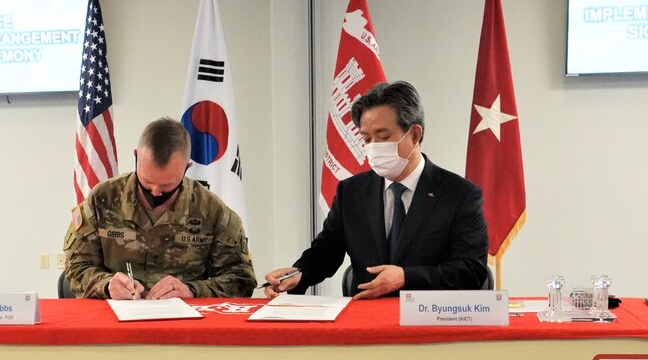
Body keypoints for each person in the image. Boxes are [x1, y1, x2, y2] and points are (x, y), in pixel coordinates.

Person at [264, 81, 488, 299]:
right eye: (367, 138)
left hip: (430, 321)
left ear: (414, 134)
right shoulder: (351, 191)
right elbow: (326, 253)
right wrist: (297, 274)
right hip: (365, 320)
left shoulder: (459, 194)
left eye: (383, 137)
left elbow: (471, 270)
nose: (373, 147)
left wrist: (406, 277)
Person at [64, 117, 257, 299]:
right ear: (136, 157)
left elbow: (241, 280)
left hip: (184, 324)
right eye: (147, 182)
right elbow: (76, 266)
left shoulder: (211, 210)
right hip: (116, 320)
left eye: (167, 186)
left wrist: (192, 290)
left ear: (187, 168)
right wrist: (106, 285)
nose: (155, 192)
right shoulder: (103, 199)